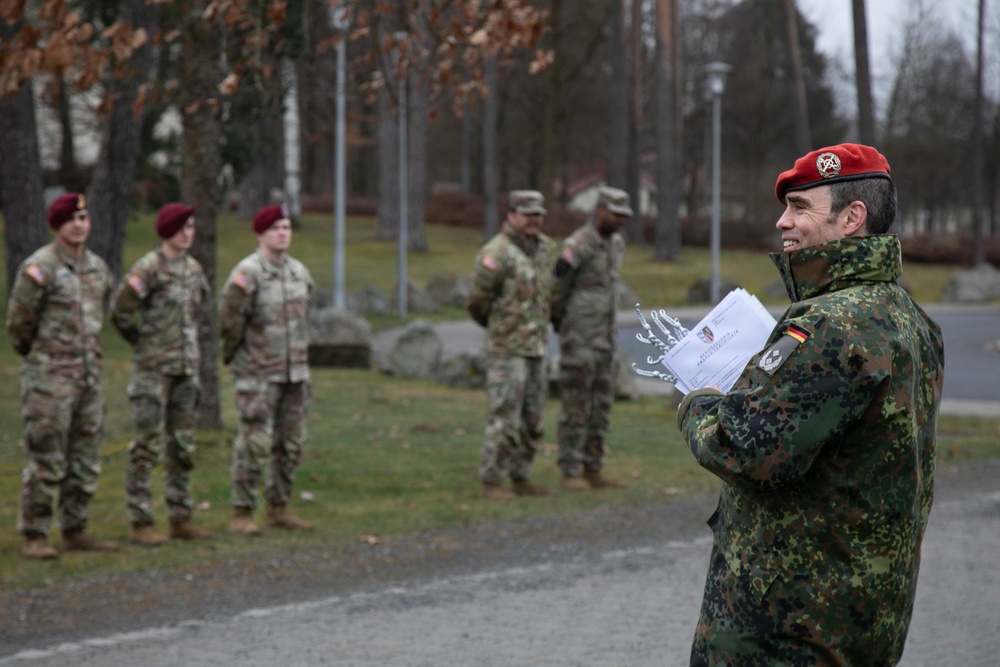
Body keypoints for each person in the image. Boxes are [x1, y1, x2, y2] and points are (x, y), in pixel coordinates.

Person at [676, 144, 945, 666]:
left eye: (800, 208)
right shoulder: (912, 317)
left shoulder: (830, 324)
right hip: (865, 615)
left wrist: (698, 402)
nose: (783, 222)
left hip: (788, 627)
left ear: (852, 218)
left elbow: (746, 449)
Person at [6, 193, 118, 559]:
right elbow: (19, 324)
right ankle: (35, 534)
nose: (79, 224)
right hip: (49, 380)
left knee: (84, 457)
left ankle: (75, 529)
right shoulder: (39, 268)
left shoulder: (98, 268)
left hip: (88, 378)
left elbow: (101, 313)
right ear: (57, 225)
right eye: (71, 218)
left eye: (83, 218)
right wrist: (42, 360)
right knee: (47, 457)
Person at [110, 203, 214, 546]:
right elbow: (121, 311)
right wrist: (141, 342)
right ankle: (141, 521)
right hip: (153, 372)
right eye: (183, 227)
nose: (189, 233)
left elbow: (197, 312)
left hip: (185, 370)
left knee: (182, 446)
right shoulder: (149, 267)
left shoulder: (194, 269)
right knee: (147, 447)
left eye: (192, 227)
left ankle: (180, 517)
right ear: (168, 230)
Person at [219, 204, 315, 534]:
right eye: (275, 228)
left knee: (290, 444)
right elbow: (229, 318)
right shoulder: (248, 273)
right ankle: (242, 512)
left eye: (286, 227)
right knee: (254, 443)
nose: (283, 233)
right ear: (261, 234)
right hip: (259, 374)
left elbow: (305, 317)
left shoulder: (299, 272)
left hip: (294, 373)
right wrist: (238, 358)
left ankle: (279, 508)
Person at [467, 190, 556, 500]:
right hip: (507, 350)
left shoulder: (544, 249)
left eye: (538, 214)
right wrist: (501, 329)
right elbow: (478, 302)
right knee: (505, 417)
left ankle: (521, 477)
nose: (534, 220)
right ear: (511, 215)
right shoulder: (497, 253)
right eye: (527, 214)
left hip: (536, 348)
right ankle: (492, 481)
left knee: (533, 418)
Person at [550, 185, 632, 491]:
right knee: (576, 404)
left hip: (605, 339)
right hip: (580, 337)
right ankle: (570, 469)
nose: (620, 220)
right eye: (615, 214)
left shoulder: (616, 243)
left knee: (601, 405)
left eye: (624, 216)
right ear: (599, 210)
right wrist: (565, 327)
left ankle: (593, 466)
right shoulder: (578, 244)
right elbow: (556, 290)